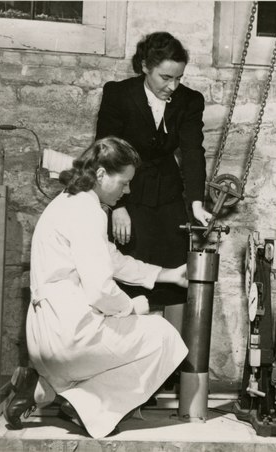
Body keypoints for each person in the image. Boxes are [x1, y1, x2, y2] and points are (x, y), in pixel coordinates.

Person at [3, 136, 190, 438]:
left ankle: (42, 387)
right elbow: (101, 289)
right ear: (101, 175)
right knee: (165, 337)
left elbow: (111, 260)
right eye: (124, 182)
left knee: (121, 336)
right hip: (68, 336)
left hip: (41, 339)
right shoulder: (88, 212)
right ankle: (84, 408)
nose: (127, 190)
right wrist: (132, 308)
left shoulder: (67, 202)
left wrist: (168, 274)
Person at [95, 31, 211, 309]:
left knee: (174, 279)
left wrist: (196, 203)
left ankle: (168, 345)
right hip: (130, 193)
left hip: (169, 195)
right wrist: (118, 207)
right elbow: (106, 151)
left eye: (179, 78)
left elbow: (193, 152)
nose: (173, 86)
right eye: (165, 77)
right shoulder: (119, 94)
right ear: (145, 67)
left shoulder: (190, 100)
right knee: (131, 279)